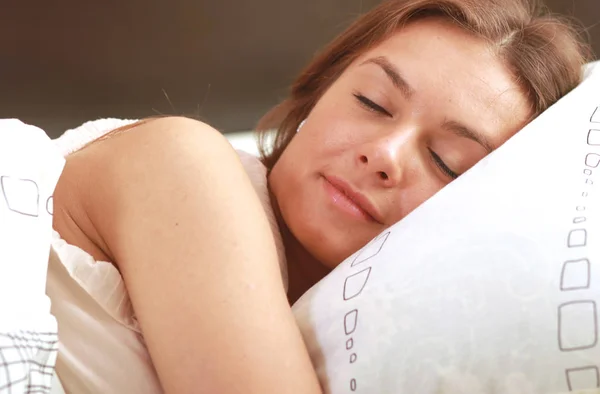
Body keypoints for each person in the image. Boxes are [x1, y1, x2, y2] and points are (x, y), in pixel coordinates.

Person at [48, 0, 593, 393]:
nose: (384, 154)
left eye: (447, 161)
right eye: (372, 102)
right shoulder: (183, 164)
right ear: (319, 92)